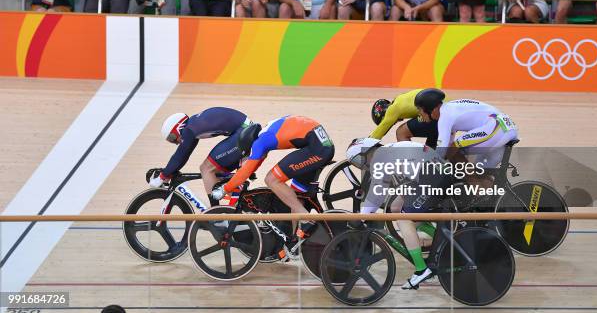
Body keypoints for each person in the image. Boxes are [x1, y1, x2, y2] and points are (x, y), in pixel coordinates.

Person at [211, 115, 335, 259]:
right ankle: (295, 243)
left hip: (316, 149)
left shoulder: (259, 142)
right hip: (320, 145)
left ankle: (306, 219)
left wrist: (224, 189)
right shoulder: (266, 132)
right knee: (294, 197)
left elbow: (248, 167)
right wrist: (247, 172)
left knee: (272, 179)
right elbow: (254, 164)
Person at [346, 137, 445, 290]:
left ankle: (421, 269)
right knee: (395, 207)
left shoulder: (380, 158)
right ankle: (441, 240)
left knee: (404, 219)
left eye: (359, 161)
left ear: (366, 153)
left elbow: (376, 195)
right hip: (432, 174)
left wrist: (360, 217)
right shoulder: (388, 151)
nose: (362, 165)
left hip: (431, 177)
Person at [150, 108, 255, 203]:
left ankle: (216, 215)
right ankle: (244, 202)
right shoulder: (193, 126)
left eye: (172, 137)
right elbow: (184, 155)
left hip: (243, 133)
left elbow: (180, 156)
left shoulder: (189, 129)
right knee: (215, 173)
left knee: (206, 169)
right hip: (245, 131)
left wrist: (162, 176)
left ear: (178, 127)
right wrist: (168, 173)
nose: (175, 142)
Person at [370, 88, 441, 149]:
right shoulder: (401, 99)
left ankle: (410, 160)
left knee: (401, 132)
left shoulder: (393, 109)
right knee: (430, 137)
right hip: (440, 109)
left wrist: (364, 145)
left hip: (435, 112)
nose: (394, 123)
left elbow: (378, 133)